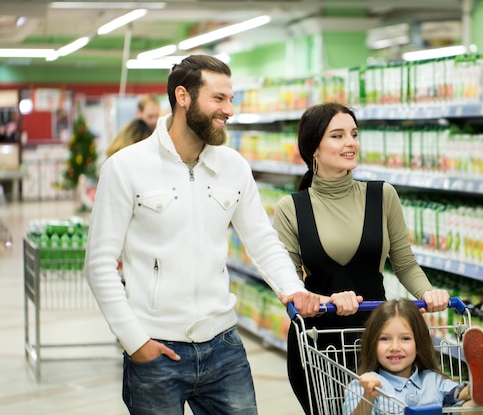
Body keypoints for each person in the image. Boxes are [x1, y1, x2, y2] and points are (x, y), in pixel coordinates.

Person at [85, 54, 329, 415]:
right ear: (182, 96)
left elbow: (261, 239)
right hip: (155, 349)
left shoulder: (233, 166)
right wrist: (135, 341)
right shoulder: (126, 168)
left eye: (230, 99)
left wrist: (292, 288)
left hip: (223, 346)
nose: (229, 110)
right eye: (218, 99)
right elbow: (99, 265)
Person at [272, 101, 450, 414]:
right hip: (319, 343)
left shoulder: (382, 195)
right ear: (314, 147)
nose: (351, 142)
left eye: (354, 134)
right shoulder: (291, 208)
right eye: (338, 136)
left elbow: (405, 263)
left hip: (378, 337)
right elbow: (287, 284)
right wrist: (326, 298)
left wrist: (427, 292)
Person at [343, 299, 483, 415]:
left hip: (459, 399)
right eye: (385, 339)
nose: (395, 347)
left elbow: (455, 399)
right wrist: (368, 394)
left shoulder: (433, 380)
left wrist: (469, 392)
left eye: (405, 339)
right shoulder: (365, 384)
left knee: (465, 402)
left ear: (418, 345)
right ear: (372, 344)